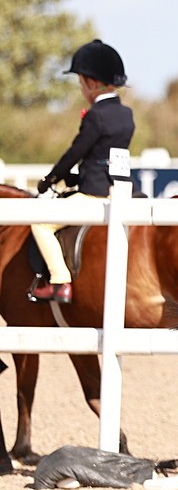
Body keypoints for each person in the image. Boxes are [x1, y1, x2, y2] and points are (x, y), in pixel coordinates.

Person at [30, 39, 134, 304]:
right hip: (120, 191)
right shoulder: (126, 114)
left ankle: (59, 281)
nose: (81, 88)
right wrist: (76, 177)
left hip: (94, 197)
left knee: (40, 222)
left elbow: (75, 152)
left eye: (80, 83)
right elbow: (104, 158)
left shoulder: (96, 116)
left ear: (90, 82)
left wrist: (49, 179)